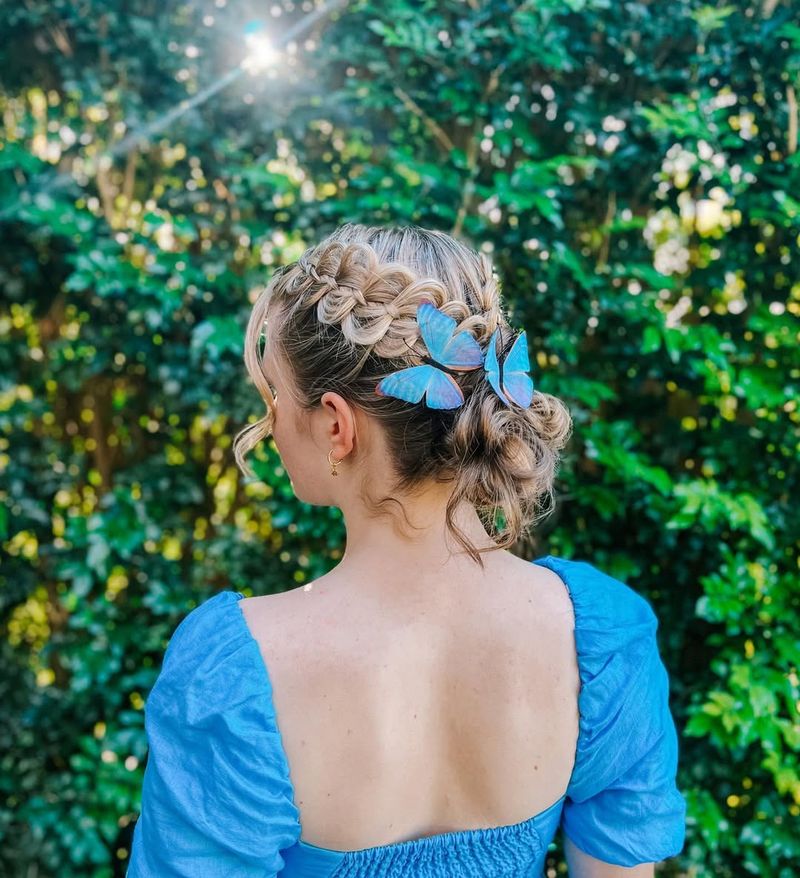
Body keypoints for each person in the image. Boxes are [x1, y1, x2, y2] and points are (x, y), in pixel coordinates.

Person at [127, 223, 686, 877]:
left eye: (276, 391)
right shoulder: (601, 640)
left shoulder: (231, 676)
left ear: (337, 424)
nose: (270, 420)